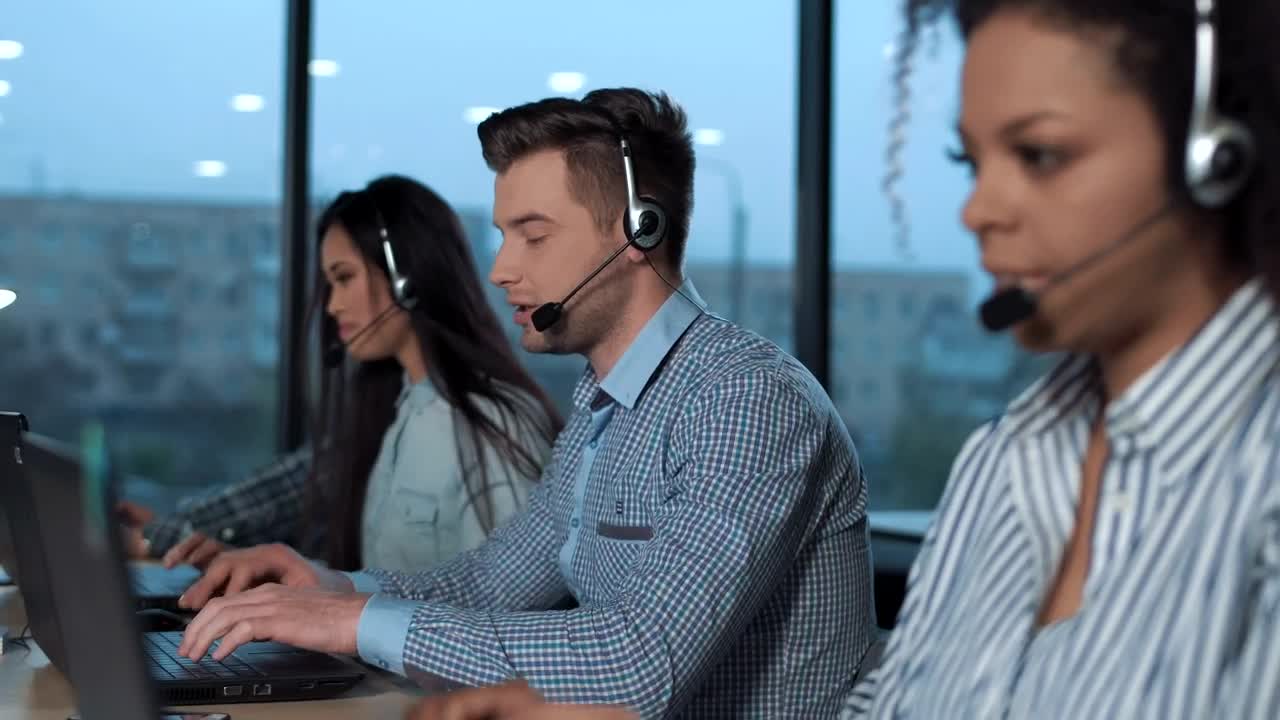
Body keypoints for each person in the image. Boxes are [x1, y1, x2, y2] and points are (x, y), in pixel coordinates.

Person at [172, 88, 876, 718]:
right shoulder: (607, 401)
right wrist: (333, 589)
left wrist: (355, 624)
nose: (501, 269)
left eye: (534, 236)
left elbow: (637, 663)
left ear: (639, 231)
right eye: (506, 236)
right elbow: (491, 581)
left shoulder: (746, 400)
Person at [838, 0, 1280, 717]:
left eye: (1039, 156)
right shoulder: (1005, 454)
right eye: (970, 161)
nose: (978, 210)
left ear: (1216, 159)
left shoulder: (1260, 480)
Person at [119, 174, 563, 573]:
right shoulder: (397, 415)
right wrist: (287, 586)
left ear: (405, 277)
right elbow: (306, 502)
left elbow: (505, 613)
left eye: (344, 278)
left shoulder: (492, 426)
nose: (332, 306)